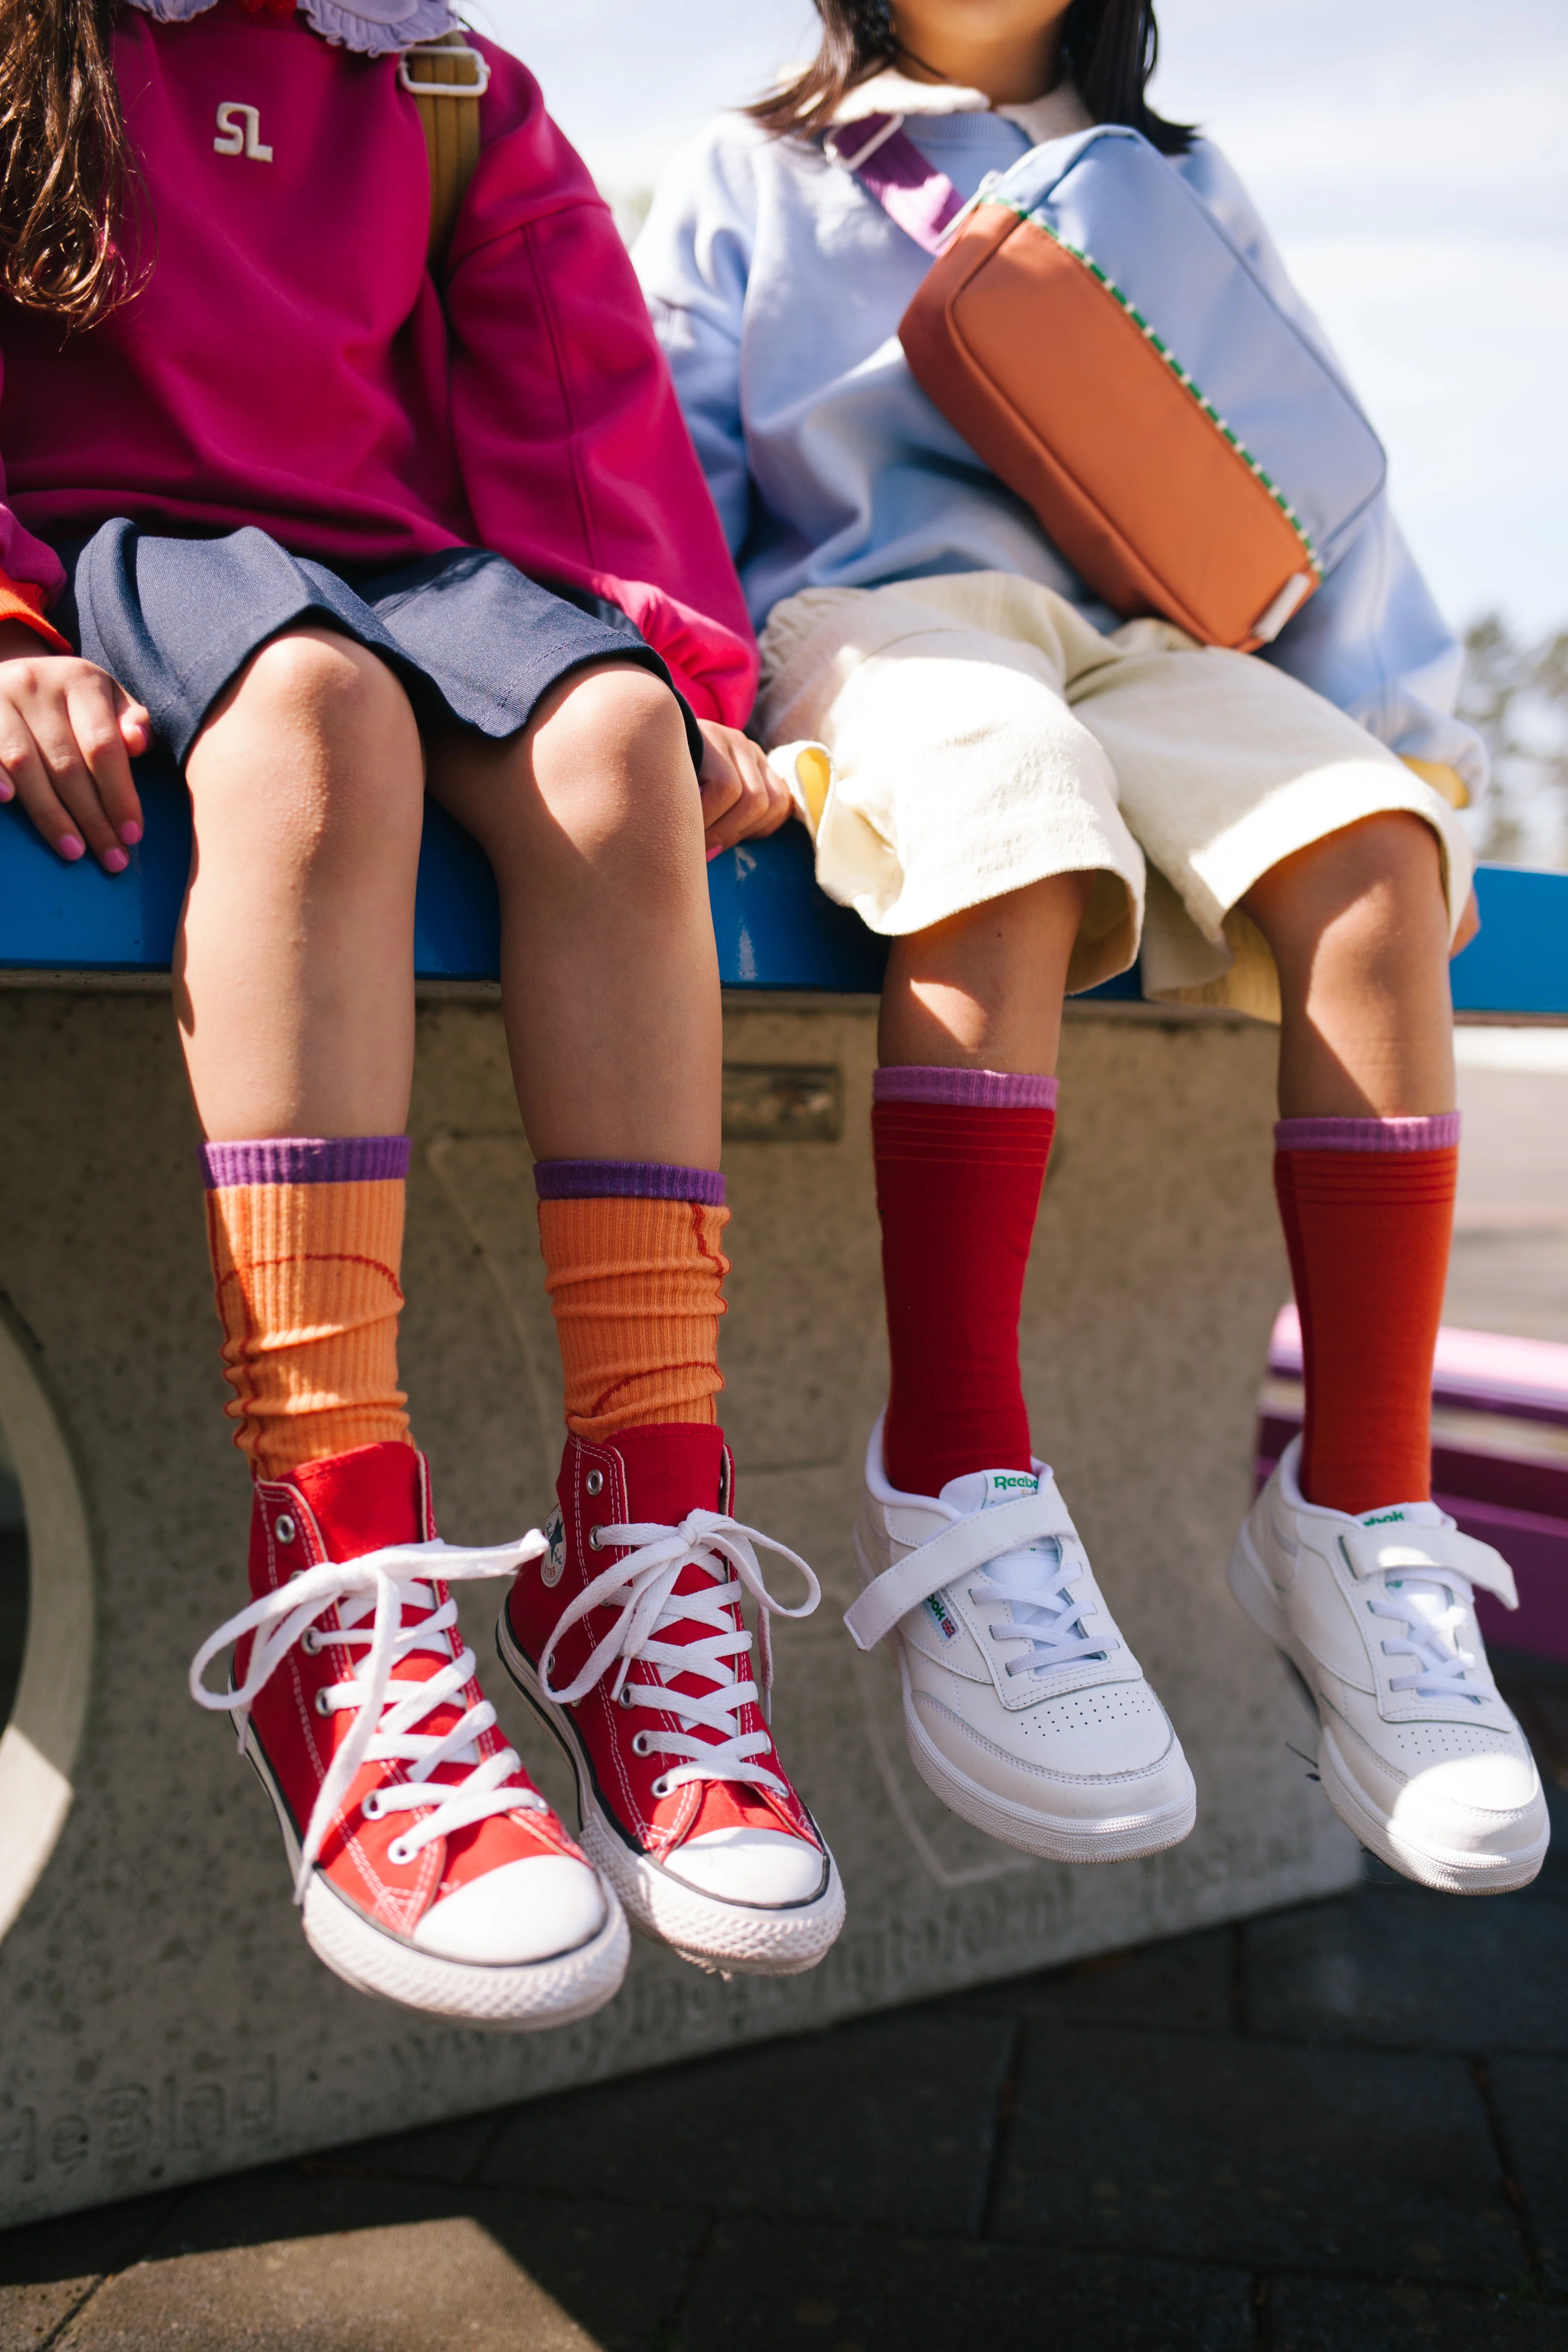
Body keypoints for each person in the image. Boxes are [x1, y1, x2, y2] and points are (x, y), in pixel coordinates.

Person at [636, 0, 1550, 1893]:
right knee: (1006, 787)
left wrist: (1411, 739)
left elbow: (1303, 482)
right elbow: (665, 459)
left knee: (1378, 848)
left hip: (1151, 644)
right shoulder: (758, 172)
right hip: (876, 622)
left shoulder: (1178, 184)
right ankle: (951, 1463)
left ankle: (1359, 1504)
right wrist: (689, 695)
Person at [0, 0, 844, 2028]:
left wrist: (684, 677)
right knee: (312, 721)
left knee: (619, 752)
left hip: (398, 567)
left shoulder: (439, 80)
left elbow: (575, 423)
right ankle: (331, 1567)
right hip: (115, 552)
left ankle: (637, 1556)